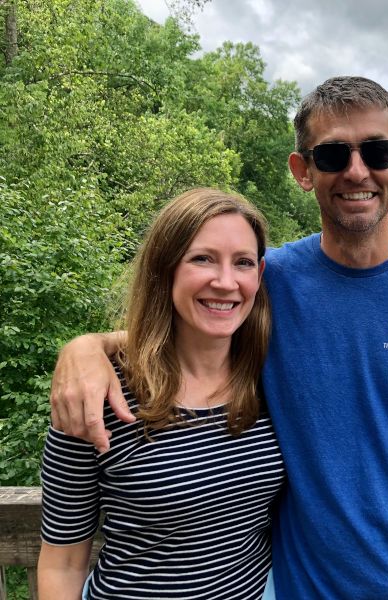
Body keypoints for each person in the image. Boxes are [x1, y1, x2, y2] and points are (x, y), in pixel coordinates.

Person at [50, 76, 388, 599]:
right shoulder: (268, 282)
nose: (356, 171)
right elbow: (185, 321)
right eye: (331, 155)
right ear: (302, 171)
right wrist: (85, 348)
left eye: (377, 150)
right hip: (311, 590)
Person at [39, 188, 285, 600]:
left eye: (242, 262)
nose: (225, 282)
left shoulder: (272, 379)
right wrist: (85, 346)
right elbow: (63, 561)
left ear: (258, 276)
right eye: (202, 258)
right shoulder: (99, 394)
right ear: (165, 268)